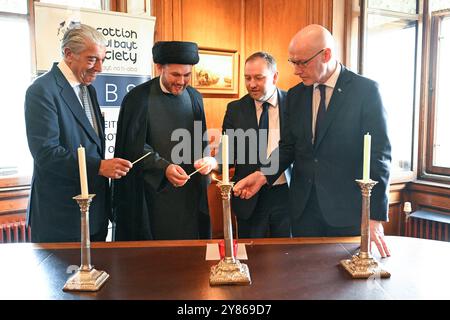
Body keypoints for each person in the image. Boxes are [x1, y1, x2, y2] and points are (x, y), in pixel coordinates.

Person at [233, 24, 392, 257]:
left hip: (346, 211)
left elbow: (380, 155)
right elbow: (288, 147)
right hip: (303, 211)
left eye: (302, 62)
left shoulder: (365, 91)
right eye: (293, 62)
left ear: (326, 54)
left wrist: (375, 215)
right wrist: (262, 175)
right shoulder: (296, 95)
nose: (296, 70)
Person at [25, 24, 132, 243]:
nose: (100, 68)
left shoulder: (88, 89)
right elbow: (46, 153)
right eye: (92, 59)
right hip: (61, 219)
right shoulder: (42, 90)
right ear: (68, 54)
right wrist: (100, 166)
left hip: (95, 217)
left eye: (102, 59)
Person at [113, 41, 215, 241]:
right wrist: (164, 167)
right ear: (159, 68)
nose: (182, 81)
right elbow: (132, 147)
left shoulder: (194, 97)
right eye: (175, 75)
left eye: (187, 75)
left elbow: (199, 139)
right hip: (150, 194)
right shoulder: (138, 98)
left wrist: (205, 160)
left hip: (188, 193)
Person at [221, 52, 291, 238]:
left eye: (259, 78)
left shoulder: (294, 103)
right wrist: (212, 162)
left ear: (275, 76)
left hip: (287, 194)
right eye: (247, 78)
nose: (252, 84)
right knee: (250, 258)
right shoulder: (235, 109)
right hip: (248, 196)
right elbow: (227, 152)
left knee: (286, 257)